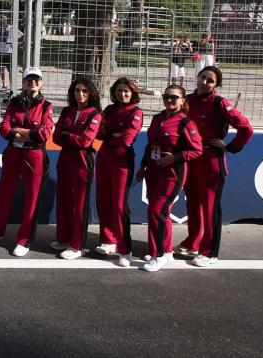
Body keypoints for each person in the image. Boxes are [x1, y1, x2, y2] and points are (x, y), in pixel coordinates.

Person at [179, 66, 253, 267]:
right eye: (202, 77)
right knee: (192, 203)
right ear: (197, 77)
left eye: (210, 80)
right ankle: (192, 242)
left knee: (210, 206)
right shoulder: (188, 100)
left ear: (215, 85)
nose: (204, 82)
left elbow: (245, 128)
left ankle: (209, 251)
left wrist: (230, 147)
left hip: (210, 160)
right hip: (190, 159)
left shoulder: (219, 103)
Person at [0, 67, 54, 256]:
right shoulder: (14, 102)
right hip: (13, 153)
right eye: (29, 79)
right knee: (3, 194)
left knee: (32, 199)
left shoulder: (46, 106)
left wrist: (19, 132)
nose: (32, 82)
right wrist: (29, 134)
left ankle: (24, 240)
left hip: (34, 156)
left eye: (36, 79)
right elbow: (5, 129)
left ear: (41, 82)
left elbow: (44, 134)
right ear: (24, 82)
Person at [136, 84, 202, 272]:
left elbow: (197, 149)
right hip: (154, 171)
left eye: (174, 97)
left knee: (157, 212)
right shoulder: (157, 118)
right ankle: (165, 251)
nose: (169, 100)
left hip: (172, 174)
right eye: (166, 96)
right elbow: (150, 145)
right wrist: (143, 165)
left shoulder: (185, 123)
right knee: (160, 213)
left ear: (182, 101)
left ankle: (157, 256)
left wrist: (176, 157)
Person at [51, 77, 103, 260]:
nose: (80, 94)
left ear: (90, 94)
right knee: (64, 199)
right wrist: (71, 137)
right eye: (77, 90)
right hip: (65, 157)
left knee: (80, 204)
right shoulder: (67, 111)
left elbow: (86, 141)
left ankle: (77, 245)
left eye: (84, 91)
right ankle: (64, 238)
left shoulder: (95, 114)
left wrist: (67, 135)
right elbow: (56, 137)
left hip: (82, 160)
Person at [94, 77, 144, 267]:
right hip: (105, 157)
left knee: (119, 205)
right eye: (119, 91)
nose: (122, 94)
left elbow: (126, 139)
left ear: (133, 94)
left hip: (123, 159)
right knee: (103, 200)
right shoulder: (109, 110)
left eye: (126, 91)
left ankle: (125, 248)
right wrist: (111, 135)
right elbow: (99, 133)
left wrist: (110, 136)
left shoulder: (136, 112)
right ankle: (108, 240)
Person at [0, 17, 23, 90]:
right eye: (0, 23)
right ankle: (4, 84)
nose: (2, 24)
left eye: (3, 22)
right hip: (0, 51)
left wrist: (17, 45)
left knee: (10, 69)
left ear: (6, 21)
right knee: (1, 68)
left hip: (9, 51)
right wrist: (0, 38)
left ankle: (12, 84)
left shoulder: (13, 28)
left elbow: (23, 37)